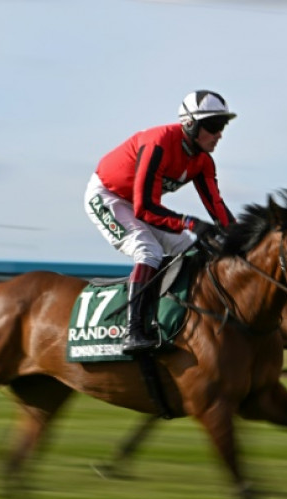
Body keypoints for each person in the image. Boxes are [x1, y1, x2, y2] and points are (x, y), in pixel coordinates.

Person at [83, 90, 237, 354]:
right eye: (213, 126)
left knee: (188, 252)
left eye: (222, 126)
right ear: (190, 124)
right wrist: (190, 223)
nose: (219, 134)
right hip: (108, 196)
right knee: (148, 250)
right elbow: (146, 210)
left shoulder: (203, 162)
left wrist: (241, 239)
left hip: (139, 203)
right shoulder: (158, 143)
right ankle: (133, 333)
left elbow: (217, 209)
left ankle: (173, 321)